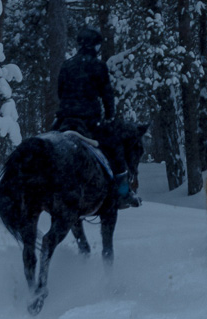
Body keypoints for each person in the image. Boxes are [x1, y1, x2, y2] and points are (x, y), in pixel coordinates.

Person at [53, 26, 141, 208]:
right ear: (94, 46)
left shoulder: (67, 65)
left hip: (64, 120)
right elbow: (107, 95)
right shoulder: (98, 66)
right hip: (89, 122)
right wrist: (109, 116)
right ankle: (124, 193)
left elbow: (60, 92)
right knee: (116, 151)